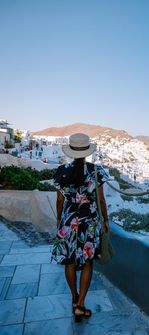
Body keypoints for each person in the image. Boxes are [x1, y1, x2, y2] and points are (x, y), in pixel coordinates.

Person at [50, 133, 110, 322]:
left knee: (69, 262)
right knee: (87, 262)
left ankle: (74, 299)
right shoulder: (95, 171)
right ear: (87, 152)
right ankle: (81, 304)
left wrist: (60, 219)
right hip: (89, 222)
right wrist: (105, 220)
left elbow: (60, 200)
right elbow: (100, 199)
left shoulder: (61, 171)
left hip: (68, 221)